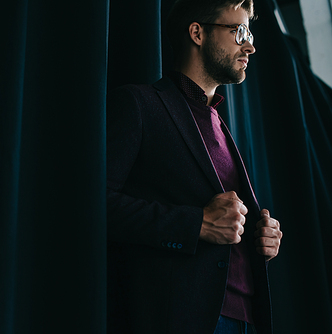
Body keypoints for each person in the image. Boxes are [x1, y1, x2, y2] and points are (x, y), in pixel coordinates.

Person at [106, 0, 283, 333]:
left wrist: (263, 238)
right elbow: (94, 204)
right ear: (197, 33)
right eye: (239, 31)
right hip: (184, 318)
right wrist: (195, 224)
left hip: (248, 318)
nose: (251, 45)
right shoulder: (138, 105)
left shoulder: (220, 124)